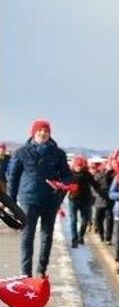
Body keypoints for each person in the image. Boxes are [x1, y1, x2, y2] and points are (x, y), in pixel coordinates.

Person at [6, 119, 72, 278]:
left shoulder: (58, 153)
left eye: (46, 131)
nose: (43, 133)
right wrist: (11, 202)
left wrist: (62, 184)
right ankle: (25, 272)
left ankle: (42, 269)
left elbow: (68, 175)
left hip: (51, 199)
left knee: (47, 235)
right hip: (29, 199)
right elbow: (13, 178)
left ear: (50, 134)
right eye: (39, 131)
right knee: (27, 235)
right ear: (33, 133)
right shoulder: (22, 152)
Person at [68, 156, 97, 249]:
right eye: (77, 165)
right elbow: (63, 186)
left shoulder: (87, 174)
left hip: (85, 200)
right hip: (73, 199)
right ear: (74, 165)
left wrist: (102, 193)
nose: (78, 167)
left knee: (84, 221)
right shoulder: (70, 174)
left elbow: (95, 184)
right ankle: (74, 240)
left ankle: (81, 236)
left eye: (80, 165)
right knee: (73, 220)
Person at [93, 156, 117, 245]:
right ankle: (101, 234)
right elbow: (93, 186)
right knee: (99, 220)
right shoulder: (99, 175)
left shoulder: (115, 175)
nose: (110, 166)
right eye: (108, 164)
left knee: (109, 219)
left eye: (112, 164)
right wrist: (97, 193)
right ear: (105, 165)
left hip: (110, 201)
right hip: (100, 200)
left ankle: (108, 238)